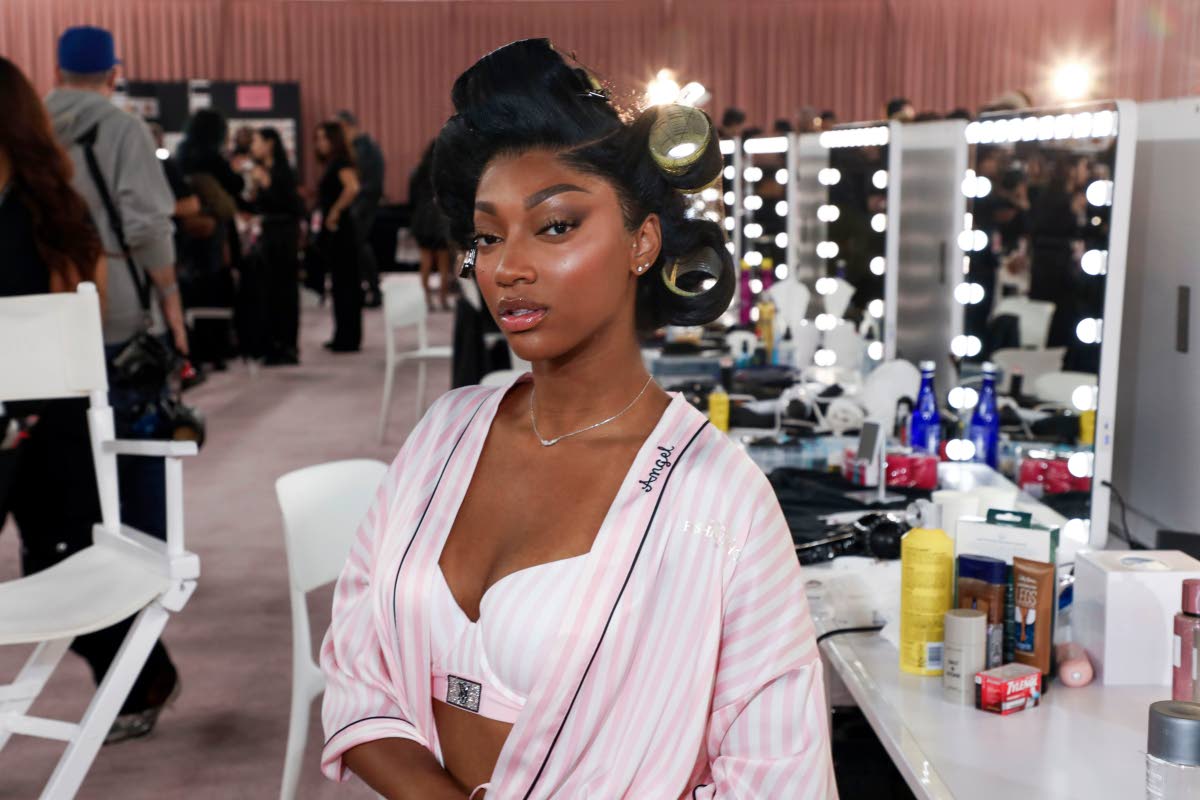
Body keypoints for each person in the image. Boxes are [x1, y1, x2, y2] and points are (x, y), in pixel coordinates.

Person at [319, 39, 835, 799]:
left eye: (556, 226)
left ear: (641, 241)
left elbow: (776, 778)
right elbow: (357, 671)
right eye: (487, 236)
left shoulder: (718, 500)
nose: (509, 267)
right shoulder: (444, 433)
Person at [46, 26, 187, 744]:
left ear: (57, 71)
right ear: (112, 73)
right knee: (133, 472)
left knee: (67, 492)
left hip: (45, 327)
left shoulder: (30, 128)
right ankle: (141, 601)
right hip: (120, 317)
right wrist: (174, 312)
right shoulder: (122, 128)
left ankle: (122, 655)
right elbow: (148, 225)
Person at [247, 126, 303, 365]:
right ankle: (271, 343)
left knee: (285, 289)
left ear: (269, 143)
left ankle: (287, 345)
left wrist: (265, 182)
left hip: (284, 235)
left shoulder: (283, 171)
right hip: (268, 234)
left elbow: (289, 203)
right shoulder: (261, 170)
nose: (253, 147)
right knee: (269, 289)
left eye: (257, 141)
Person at [314, 121, 362, 352]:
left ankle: (348, 336)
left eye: (323, 138)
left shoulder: (341, 163)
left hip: (341, 230)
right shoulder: (333, 163)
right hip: (337, 229)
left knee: (345, 283)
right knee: (340, 282)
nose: (319, 143)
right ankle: (343, 332)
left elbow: (352, 188)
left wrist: (335, 210)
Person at [337, 110, 386, 308]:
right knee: (358, 246)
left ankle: (373, 289)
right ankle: (368, 288)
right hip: (362, 201)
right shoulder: (363, 147)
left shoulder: (364, 148)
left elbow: (366, 181)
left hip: (363, 202)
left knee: (358, 244)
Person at [409, 141, 453, 311]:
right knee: (443, 262)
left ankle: (426, 299)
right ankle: (443, 298)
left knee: (425, 261)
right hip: (441, 220)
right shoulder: (447, 173)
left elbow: (412, 199)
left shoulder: (417, 172)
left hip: (422, 220)